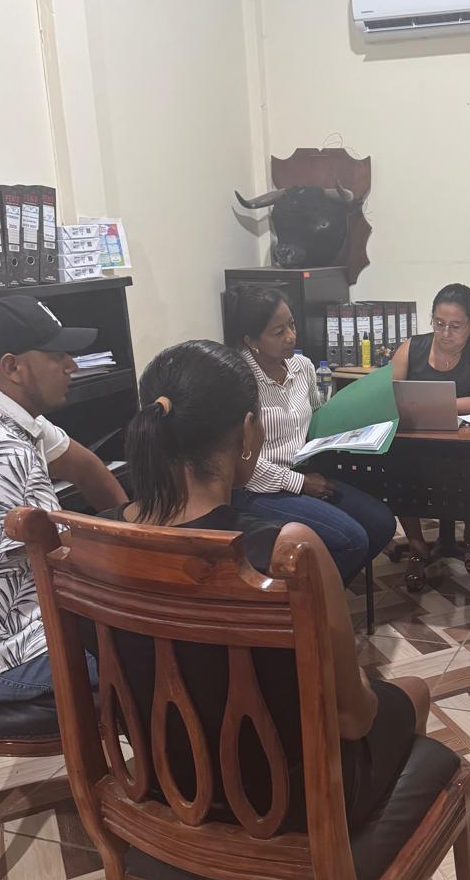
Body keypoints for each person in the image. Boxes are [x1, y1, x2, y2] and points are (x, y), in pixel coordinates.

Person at [104, 338, 431, 831]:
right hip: (282, 802)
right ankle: (369, 856)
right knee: (414, 691)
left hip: (161, 784)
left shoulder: (92, 538)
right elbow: (353, 719)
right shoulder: (287, 551)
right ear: (247, 431)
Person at [0, 295, 126, 703]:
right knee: (175, 645)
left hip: (22, 634)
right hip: (7, 658)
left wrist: (128, 527)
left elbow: (86, 467)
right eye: (57, 356)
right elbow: (59, 558)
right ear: (12, 367)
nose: (72, 365)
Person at [224, 285, 397, 584]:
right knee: (352, 539)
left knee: (381, 523)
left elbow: (317, 415)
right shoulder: (238, 381)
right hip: (258, 488)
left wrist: (354, 425)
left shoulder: (302, 367)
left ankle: (322, 593)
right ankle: (304, 604)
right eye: (278, 332)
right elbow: (241, 462)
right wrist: (300, 483)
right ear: (251, 340)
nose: (291, 336)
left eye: (292, 325)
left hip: (305, 471)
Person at [392, 283, 470, 590]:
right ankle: (416, 545)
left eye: (455, 326)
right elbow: (389, 392)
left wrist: (424, 403)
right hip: (416, 437)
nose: (445, 333)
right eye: (439, 323)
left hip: (464, 440)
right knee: (395, 464)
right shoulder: (411, 348)